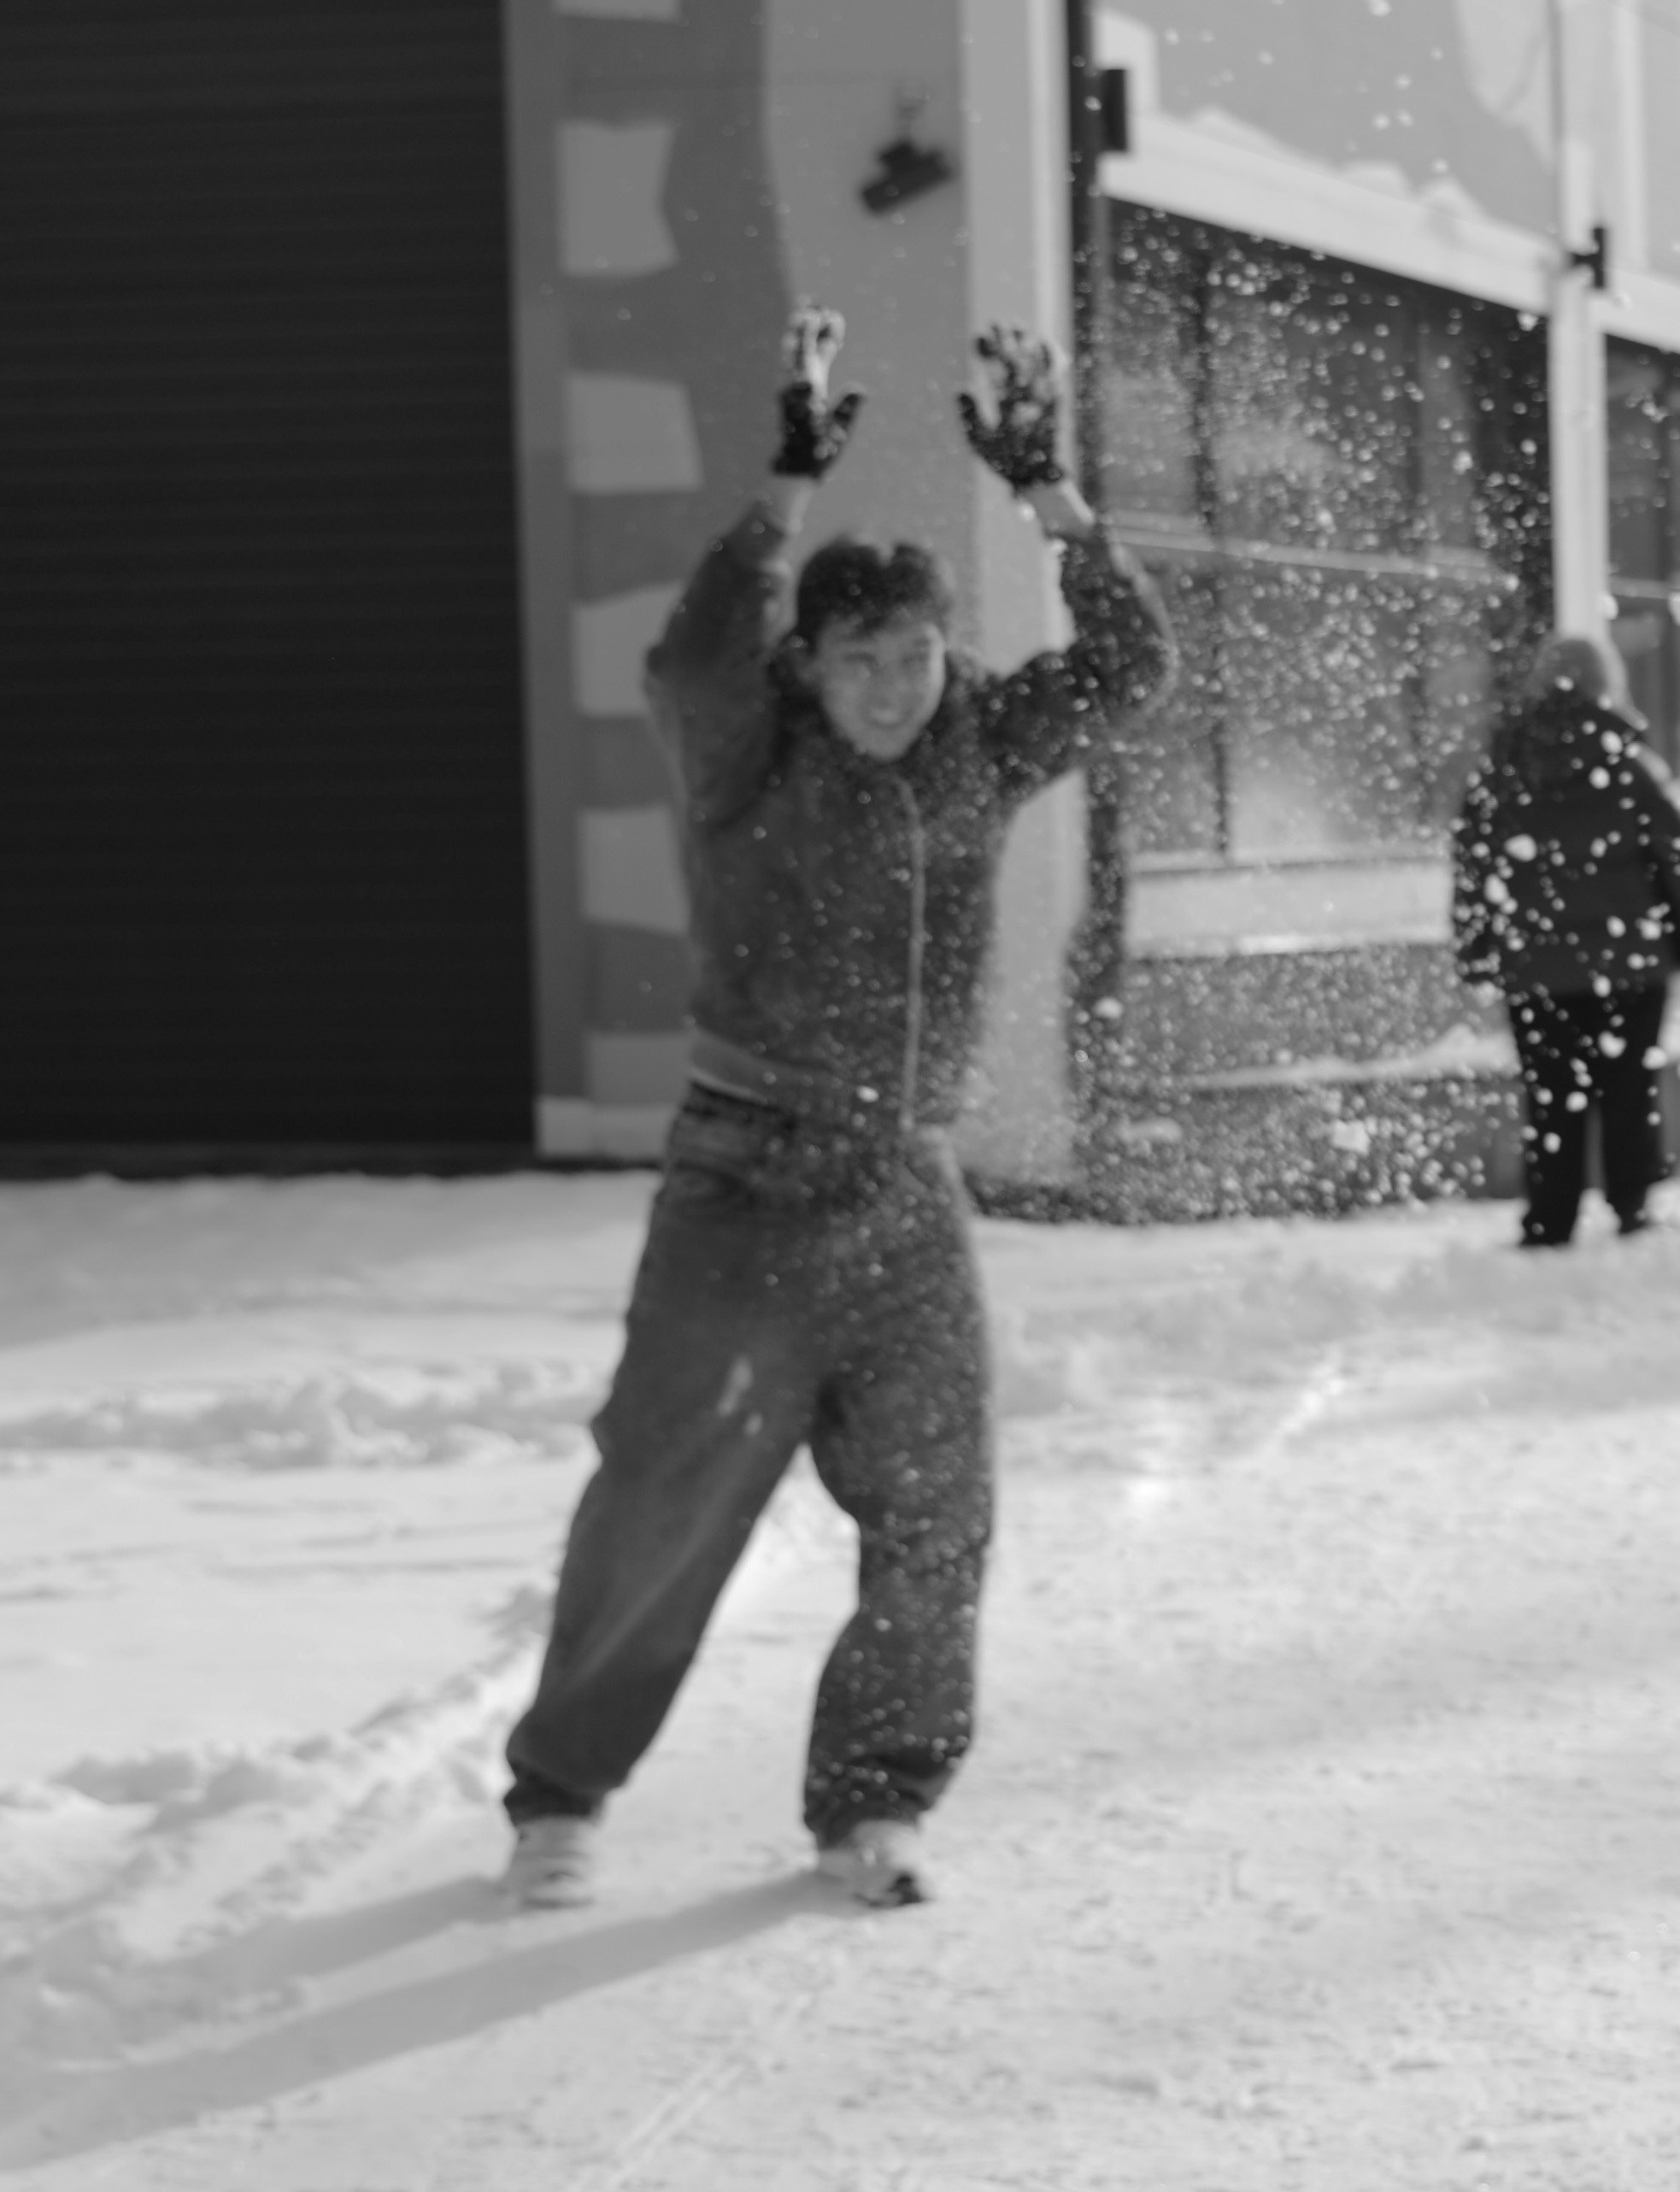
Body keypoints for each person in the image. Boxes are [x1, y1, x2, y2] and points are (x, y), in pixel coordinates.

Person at [500, 306, 1176, 1915]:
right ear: (810, 663)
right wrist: (785, 491)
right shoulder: (750, 752)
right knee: (662, 1499)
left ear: (950, 652)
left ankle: (873, 1800)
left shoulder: (985, 745)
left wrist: (1055, 502)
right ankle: (561, 1795)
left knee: (941, 1506)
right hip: (743, 1186)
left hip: (903, 1191)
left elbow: (1135, 666)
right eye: (858, 657)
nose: (890, 685)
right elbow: (682, 659)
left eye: (914, 653)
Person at [1450, 634, 1680, 1245]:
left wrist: (1477, 947)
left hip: (1536, 963)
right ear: (1606, 683)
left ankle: (1551, 1213)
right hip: (1630, 962)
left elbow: (1472, 864)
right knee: (1628, 1090)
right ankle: (1631, 1203)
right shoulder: (1629, 764)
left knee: (1551, 1096)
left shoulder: (1504, 764)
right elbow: (1676, 853)